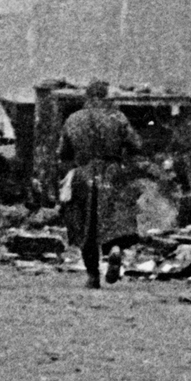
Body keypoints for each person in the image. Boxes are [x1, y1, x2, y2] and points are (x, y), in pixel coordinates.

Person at [58, 80, 145, 289]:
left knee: (85, 225)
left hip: (83, 174)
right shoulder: (117, 117)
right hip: (113, 172)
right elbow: (136, 145)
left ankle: (92, 275)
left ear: (87, 97)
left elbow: (63, 153)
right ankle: (114, 249)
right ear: (105, 96)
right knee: (115, 219)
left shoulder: (73, 119)